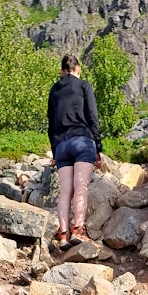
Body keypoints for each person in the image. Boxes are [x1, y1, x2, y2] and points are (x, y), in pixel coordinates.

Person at [47, 54, 103, 248]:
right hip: (82, 140)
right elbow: (92, 116)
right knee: (80, 187)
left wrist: (55, 151)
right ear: (77, 69)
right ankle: (78, 230)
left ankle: (63, 235)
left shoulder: (54, 90)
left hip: (61, 145)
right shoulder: (84, 86)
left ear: (61, 71)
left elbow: (51, 124)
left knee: (64, 192)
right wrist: (99, 147)